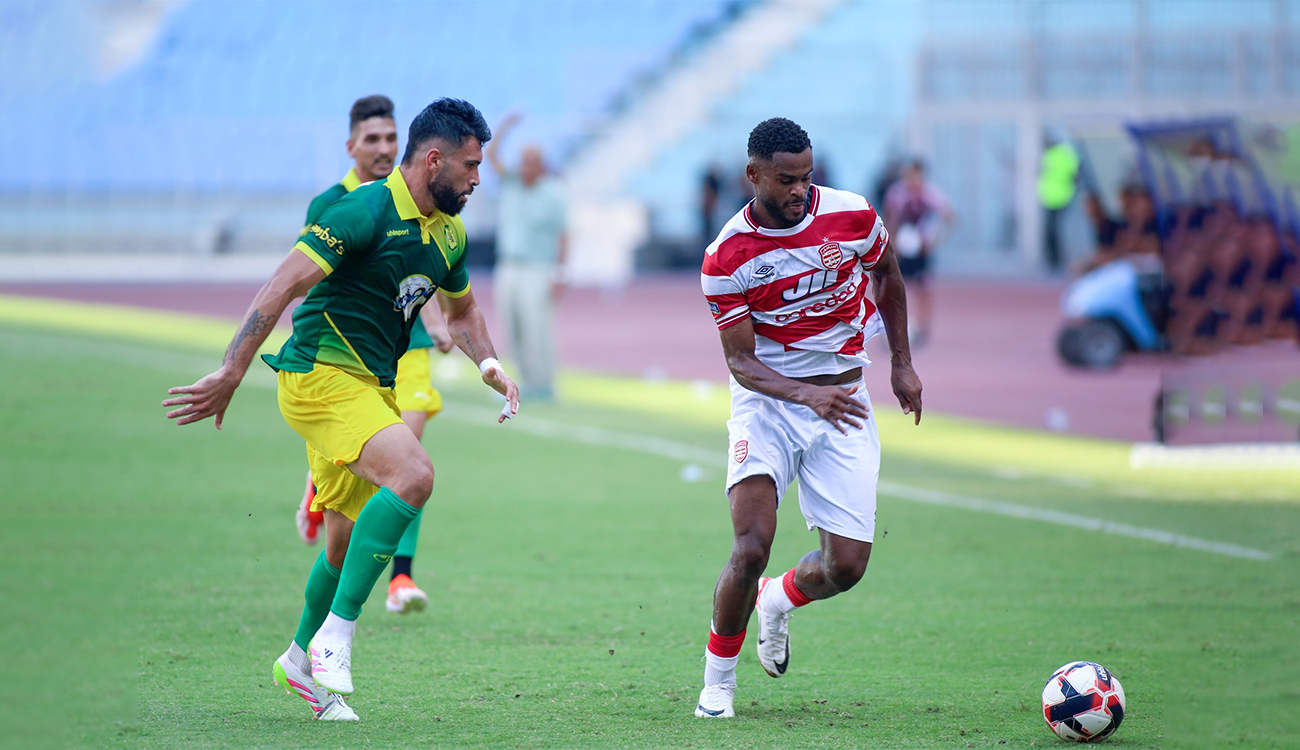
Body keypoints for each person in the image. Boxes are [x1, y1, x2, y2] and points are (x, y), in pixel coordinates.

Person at [162, 98, 519, 721]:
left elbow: (462, 313)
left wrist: (488, 364)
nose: (477, 178)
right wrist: (231, 370)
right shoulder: (360, 210)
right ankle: (337, 636)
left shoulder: (449, 233)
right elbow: (282, 285)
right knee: (415, 474)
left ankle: (299, 662)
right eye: (469, 165)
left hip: (369, 389)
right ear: (433, 160)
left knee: (343, 540)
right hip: (318, 378)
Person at [695, 118, 923, 719]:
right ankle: (718, 681)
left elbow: (888, 274)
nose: (799, 191)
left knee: (845, 567)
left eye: (806, 178)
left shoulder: (852, 214)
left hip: (844, 402)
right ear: (753, 175)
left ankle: (778, 600)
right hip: (768, 407)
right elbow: (742, 363)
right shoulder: (726, 257)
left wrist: (901, 363)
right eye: (785, 180)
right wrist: (803, 394)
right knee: (751, 546)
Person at [293, 95, 455, 618]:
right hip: (344, 362)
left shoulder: (420, 205)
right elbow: (311, 289)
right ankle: (318, 635)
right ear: (352, 147)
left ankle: (400, 577)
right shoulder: (340, 206)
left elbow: (426, 271)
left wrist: (435, 321)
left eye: (391, 138)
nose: (384, 149)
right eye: (373, 140)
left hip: (407, 355)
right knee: (391, 470)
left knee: (409, 462)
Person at [486, 113, 567, 401]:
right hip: (508, 265)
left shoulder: (553, 193)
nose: (525, 167)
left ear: (541, 166)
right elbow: (491, 154)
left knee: (536, 326)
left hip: (537, 267)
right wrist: (505, 126)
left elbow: (563, 234)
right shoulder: (512, 183)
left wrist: (560, 272)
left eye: (531, 161)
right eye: (523, 161)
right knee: (512, 323)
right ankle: (520, 381)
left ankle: (542, 382)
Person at [883, 158, 952, 348]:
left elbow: (949, 217)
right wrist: (891, 241)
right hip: (901, 250)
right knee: (894, 289)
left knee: (923, 290)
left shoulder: (931, 194)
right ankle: (892, 330)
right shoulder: (897, 193)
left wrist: (934, 242)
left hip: (921, 249)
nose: (910, 179)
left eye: (914, 175)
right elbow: (890, 217)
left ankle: (923, 329)